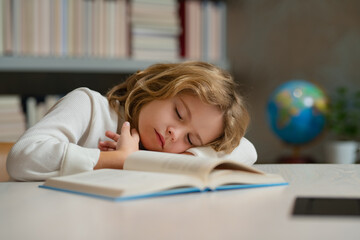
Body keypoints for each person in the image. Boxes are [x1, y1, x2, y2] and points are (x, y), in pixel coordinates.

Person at [7, 61, 257, 181]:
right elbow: (21, 158)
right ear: (159, 86)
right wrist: (116, 160)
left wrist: (181, 159)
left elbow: (247, 150)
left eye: (191, 139)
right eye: (179, 114)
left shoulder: (172, 150)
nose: (175, 134)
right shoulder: (89, 105)